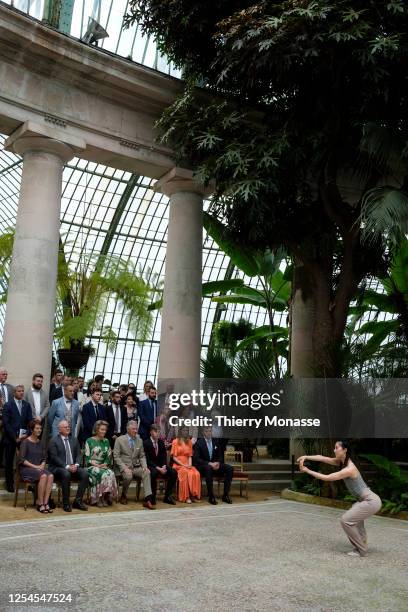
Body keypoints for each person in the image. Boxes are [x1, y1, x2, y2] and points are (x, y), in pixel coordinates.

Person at [298, 440, 382, 557]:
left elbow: (327, 477)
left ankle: (361, 550)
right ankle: (361, 543)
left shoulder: (349, 469)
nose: (334, 450)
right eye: (334, 447)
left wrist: (307, 470)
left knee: (346, 520)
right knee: (355, 519)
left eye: (337, 447)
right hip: (364, 501)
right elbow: (322, 458)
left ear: (345, 450)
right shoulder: (341, 462)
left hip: (371, 501)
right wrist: (306, 456)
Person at [47, 420, 89, 512]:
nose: (68, 428)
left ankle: (77, 501)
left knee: (85, 473)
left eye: (68, 426)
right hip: (58, 468)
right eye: (65, 427)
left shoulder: (74, 439)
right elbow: (54, 458)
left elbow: (79, 454)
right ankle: (66, 503)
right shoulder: (53, 441)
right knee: (66, 474)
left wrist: (77, 465)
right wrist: (67, 466)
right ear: (59, 429)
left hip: (73, 466)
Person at [113, 420, 155, 509]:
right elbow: (116, 456)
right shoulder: (119, 440)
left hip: (135, 467)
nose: (135, 431)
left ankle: (148, 499)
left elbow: (142, 456)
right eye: (133, 429)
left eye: (136, 429)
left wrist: (144, 467)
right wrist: (124, 468)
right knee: (128, 476)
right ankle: (123, 495)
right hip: (124, 467)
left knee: (147, 472)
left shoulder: (139, 440)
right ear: (127, 429)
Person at [19, 420, 53, 513]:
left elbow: (44, 458)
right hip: (27, 469)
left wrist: (42, 465)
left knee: (50, 476)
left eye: (40, 428)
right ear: (32, 430)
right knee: (43, 476)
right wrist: (36, 467)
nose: (39, 430)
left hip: (39, 468)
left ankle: (46, 503)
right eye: (37, 428)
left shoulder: (41, 442)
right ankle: (40, 503)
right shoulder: (25, 442)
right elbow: (22, 460)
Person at [2, 385, 32, 492]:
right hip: (10, 438)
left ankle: (27, 482)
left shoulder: (27, 405)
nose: (21, 393)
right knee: (9, 462)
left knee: (24, 461)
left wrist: (27, 434)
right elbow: (6, 423)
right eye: (19, 391)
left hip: (23, 438)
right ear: (14, 393)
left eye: (23, 391)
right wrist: (15, 437)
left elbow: (30, 422)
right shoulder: (8, 405)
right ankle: (9, 484)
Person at [193, 426, 233, 504]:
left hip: (215, 465)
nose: (209, 433)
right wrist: (210, 463)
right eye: (207, 431)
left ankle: (225, 495)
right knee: (208, 468)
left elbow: (220, 456)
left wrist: (218, 463)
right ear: (203, 432)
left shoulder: (216, 441)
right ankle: (211, 496)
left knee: (229, 468)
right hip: (203, 466)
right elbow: (196, 459)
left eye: (210, 431)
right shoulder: (199, 443)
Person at [84, 420, 117, 507]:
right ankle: (98, 498)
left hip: (103, 466)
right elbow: (87, 458)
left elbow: (109, 456)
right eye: (102, 429)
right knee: (102, 473)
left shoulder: (106, 441)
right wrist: (97, 465)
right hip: (91, 466)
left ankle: (106, 496)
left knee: (111, 473)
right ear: (96, 429)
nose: (104, 432)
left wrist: (105, 464)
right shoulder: (89, 441)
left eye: (105, 430)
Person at [144, 424, 177, 505]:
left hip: (161, 466)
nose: (158, 434)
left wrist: (164, 466)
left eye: (159, 432)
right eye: (156, 432)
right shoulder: (146, 443)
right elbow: (147, 460)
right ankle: (152, 497)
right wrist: (158, 468)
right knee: (153, 473)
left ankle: (167, 496)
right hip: (151, 466)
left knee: (173, 472)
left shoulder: (161, 442)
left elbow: (163, 456)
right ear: (151, 432)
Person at [170, 426, 201, 504]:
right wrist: (183, 465)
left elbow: (190, 456)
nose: (185, 432)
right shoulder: (175, 441)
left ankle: (193, 495)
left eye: (186, 430)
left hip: (187, 464)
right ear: (180, 431)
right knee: (185, 473)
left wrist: (189, 465)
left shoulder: (189, 442)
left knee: (196, 473)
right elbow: (174, 457)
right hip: (178, 465)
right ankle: (186, 496)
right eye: (183, 430)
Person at [0, 367, 14, 468]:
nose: (5, 376)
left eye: (6, 374)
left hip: (8, 420)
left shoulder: (10, 388)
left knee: (5, 442)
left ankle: (3, 463)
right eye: (3, 374)